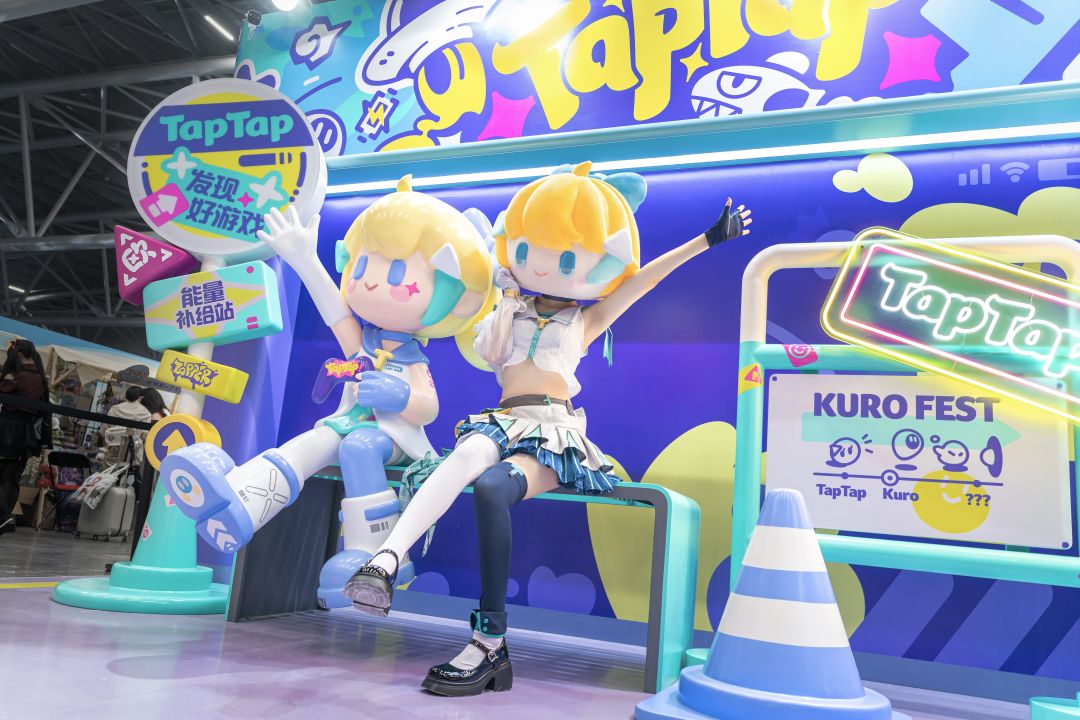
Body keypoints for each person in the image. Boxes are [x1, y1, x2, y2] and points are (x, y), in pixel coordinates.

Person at [343, 162, 752, 696]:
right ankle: (385, 559)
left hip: (553, 434)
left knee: (492, 487)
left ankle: (489, 642)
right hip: (502, 420)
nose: (541, 263)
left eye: (561, 256)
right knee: (464, 457)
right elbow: (485, 333)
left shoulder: (585, 320)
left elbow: (645, 280)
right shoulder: (507, 311)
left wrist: (706, 240)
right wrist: (505, 295)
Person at [159, 177, 497, 607]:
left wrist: (399, 397)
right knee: (313, 441)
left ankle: (376, 555)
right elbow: (333, 308)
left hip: (395, 439)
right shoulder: (363, 344)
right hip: (346, 425)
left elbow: (428, 408)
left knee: (359, 446)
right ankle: (241, 500)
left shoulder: (414, 359)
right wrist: (303, 258)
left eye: (396, 272)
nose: (370, 283)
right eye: (362, 267)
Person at [0, 339, 51, 536]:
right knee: (12, 477)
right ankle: (5, 518)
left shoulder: (15, 376)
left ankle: (4, 518)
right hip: (27, 433)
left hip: (7, 429)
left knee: (3, 475)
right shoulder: (41, 379)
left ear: (18, 354)